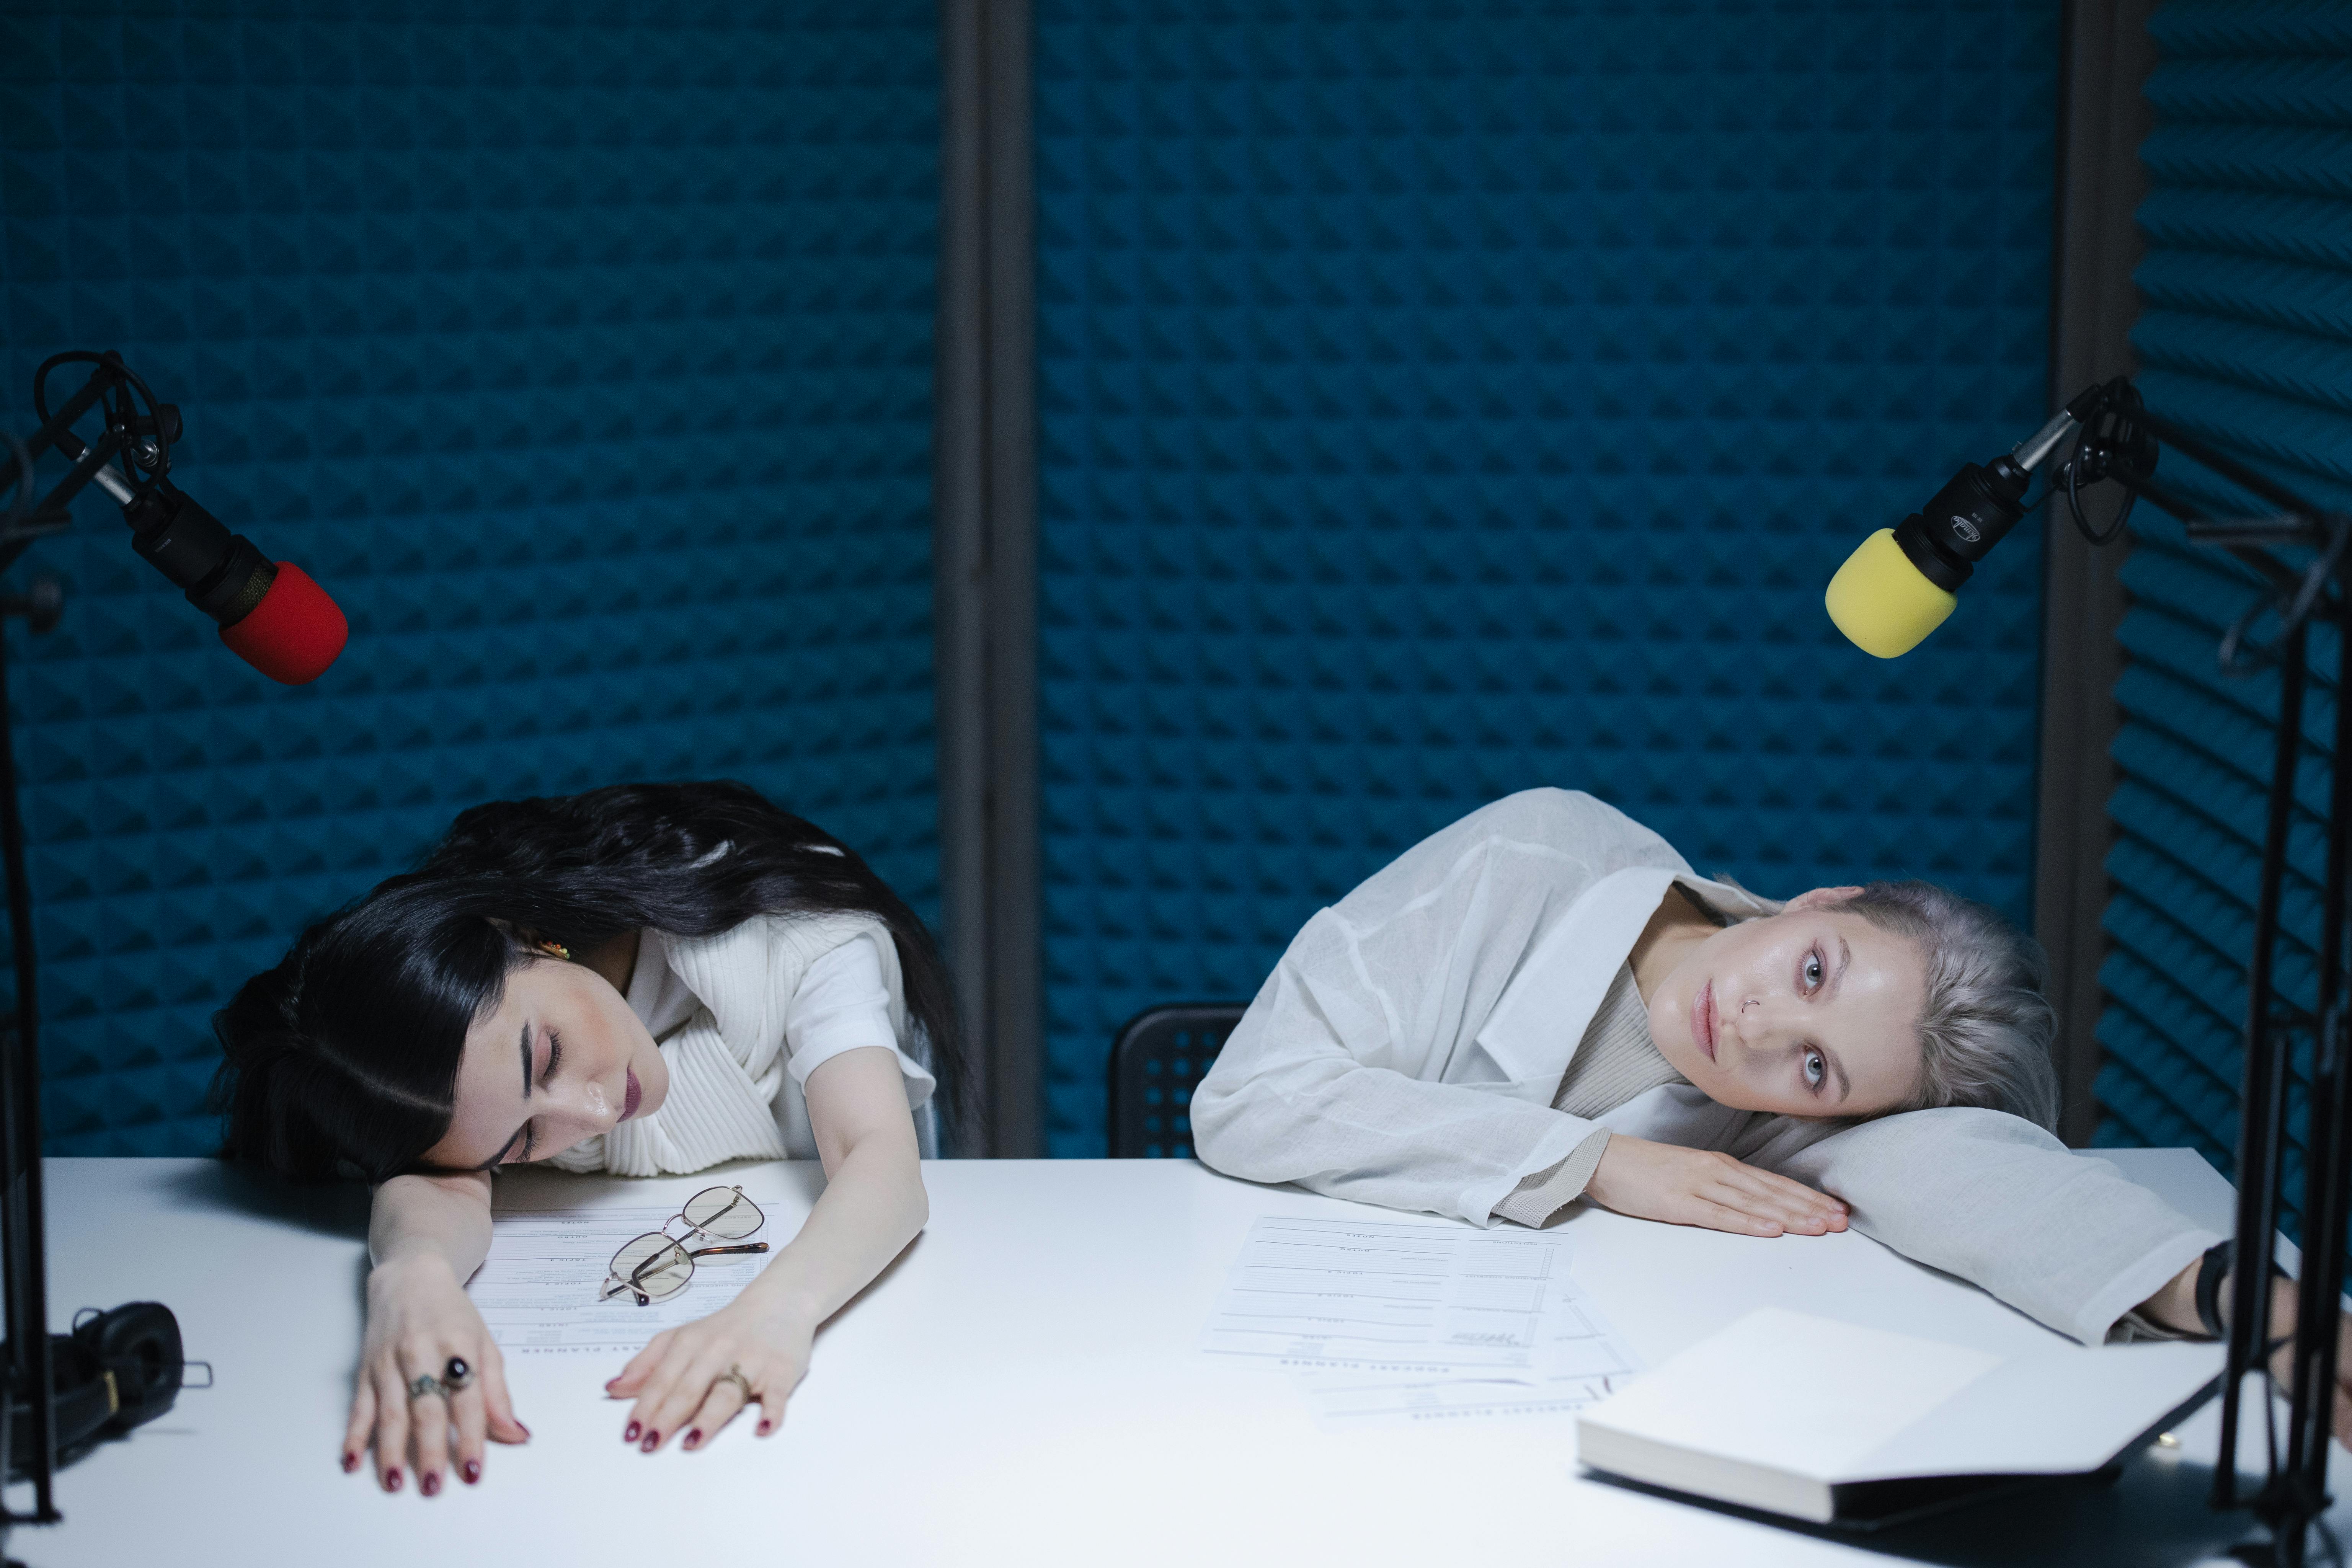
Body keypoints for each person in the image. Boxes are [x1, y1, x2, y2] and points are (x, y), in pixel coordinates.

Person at [1192, 787, 2347, 1430]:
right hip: (1263, 1370)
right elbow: (1249, 1098)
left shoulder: (1794, 1119)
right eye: (1812, 971)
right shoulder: (1538, 853)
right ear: (1823, 900)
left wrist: (2241, 1294)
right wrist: (1596, 1162)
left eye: (1815, 1069)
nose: (1752, 1028)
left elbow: (1987, 1177)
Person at [210, 781, 959, 1497]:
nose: (594, 1114)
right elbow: (441, 1182)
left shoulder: (798, 930)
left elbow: (880, 1157)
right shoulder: (471, 1077)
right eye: (523, 1140)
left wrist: (773, 1315)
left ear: (533, 941)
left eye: (550, 1056)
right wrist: (412, 1279)